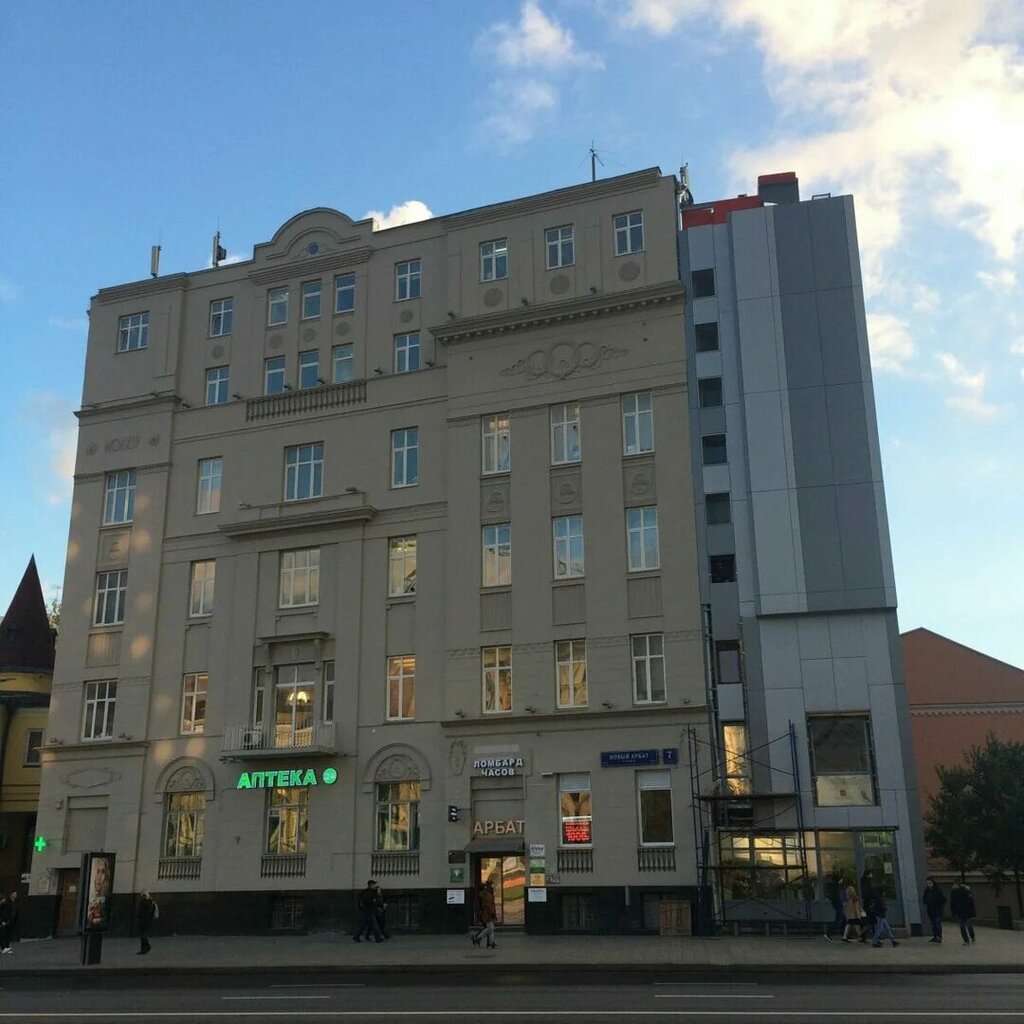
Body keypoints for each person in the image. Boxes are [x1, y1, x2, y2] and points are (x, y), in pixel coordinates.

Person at [471, 880, 497, 949]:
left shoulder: (488, 893)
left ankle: (491, 942)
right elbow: (489, 905)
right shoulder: (487, 894)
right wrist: (493, 913)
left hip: (488, 913)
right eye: (491, 885)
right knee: (490, 928)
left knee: (491, 928)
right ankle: (478, 938)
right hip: (487, 913)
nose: (492, 886)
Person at [950, 881, 977, 945]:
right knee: (964, 926)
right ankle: (968, 940)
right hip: (962, 912)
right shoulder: (954, 892)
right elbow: (952, 904)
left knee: (967, 926)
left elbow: (970, 902)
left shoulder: (964, 891)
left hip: (965, 912)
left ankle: (970, 939)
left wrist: (954, 912)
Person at [922, 877, 946, 943]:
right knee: (933, 924)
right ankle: (935, 936)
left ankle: (939, 936)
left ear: (933, 883)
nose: (928, 884)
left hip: (937, 910)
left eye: (929, 883)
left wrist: (939, 904)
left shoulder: (938, 891)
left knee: (937, 923)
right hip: (930, 910)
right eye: (927, 883)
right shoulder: (926, 891)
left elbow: (943, 899)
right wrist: (927, 902)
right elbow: (924, 899)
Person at [824, 870, 846, 941]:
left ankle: (843, 933)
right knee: (838, 920)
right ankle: (829, 933)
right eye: (841, 879)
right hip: (838, 904)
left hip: (836, 904)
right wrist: (841, 902)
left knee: (843, 919)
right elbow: (837, 896)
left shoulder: (834, 886)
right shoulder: (836, 887)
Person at [135, 889, 157, 955]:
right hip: (144, 920)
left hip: (144, 920)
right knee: (142, 935)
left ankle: (147, 947)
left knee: (143, 935)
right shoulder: (148, 902)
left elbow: (145, 911)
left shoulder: (146, 902)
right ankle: (143, 949)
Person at [859, 870, 876, 943]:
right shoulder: (867, 883)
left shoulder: (863, 883)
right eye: (870, 874)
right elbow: (870, 893)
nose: (871, 875)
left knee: (867, 921)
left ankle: (864, 936)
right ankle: (874, 937)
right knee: (872, 921)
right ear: (868, 875)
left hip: (866, 904)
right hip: (869, 904)